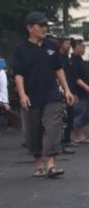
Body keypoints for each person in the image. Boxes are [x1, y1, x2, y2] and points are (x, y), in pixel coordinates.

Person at [11, 12, 77, 178]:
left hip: (51, 94)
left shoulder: (51, 46)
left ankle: (51, 164)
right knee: (32, 132)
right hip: (31, 96)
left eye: (45, 25)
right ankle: (39, 163)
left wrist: (67, 90)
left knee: (53, 127)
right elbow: (18, 74)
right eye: (40, 25)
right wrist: (22, 95)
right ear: (30, 28)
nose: (44, 28)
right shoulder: (21, 49)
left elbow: (58, 69)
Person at [69, 39, 89, 143]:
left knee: (84, 114)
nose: (84, 49)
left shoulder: (80, 60)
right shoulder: (74, 61)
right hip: (79, 92)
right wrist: (86, 87)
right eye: (82, 47)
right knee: (79, 114)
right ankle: (78, 135)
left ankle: (83, 135)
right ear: (76, 47)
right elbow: (76, 78)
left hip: (84, 92)